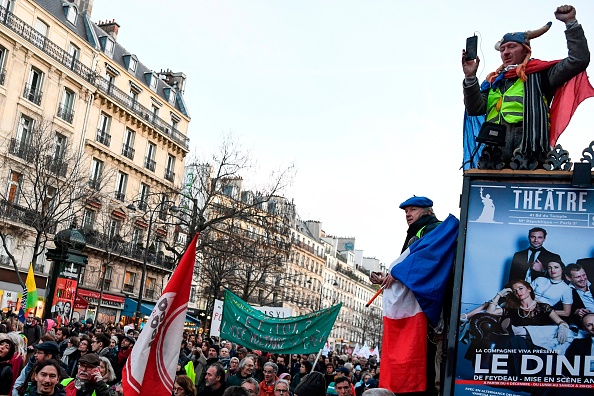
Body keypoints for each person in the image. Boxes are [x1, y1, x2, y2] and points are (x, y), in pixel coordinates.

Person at [462, 5, 592, 165]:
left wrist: (571, 23)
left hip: (529, 148)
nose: (505, 52)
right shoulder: (493, 81)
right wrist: (470, 78)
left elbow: (578, 60)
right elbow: (474, 109)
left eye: (511, 46)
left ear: (526, 50)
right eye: (502, 49)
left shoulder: (541, 74)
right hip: (494, 151)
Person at [370, 196, 443, 395]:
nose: (408, 215)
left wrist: (398, 273)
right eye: (406, 212)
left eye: (413, 210)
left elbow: (425, 263)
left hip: (427, 308)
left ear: (428, 211)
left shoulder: (432, 230)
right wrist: (388, 277)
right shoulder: (418, 231)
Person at [487, 280, 571, 351]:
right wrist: (499, 294)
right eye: (515, 291)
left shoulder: (543, 307)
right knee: (512, 341)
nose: (518, 292)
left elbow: (560, 321)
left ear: (529, 289)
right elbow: (490, 312)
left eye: (521, 288)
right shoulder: (513, 309)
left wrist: (562, 327)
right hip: (521, 343)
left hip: (540, 343)